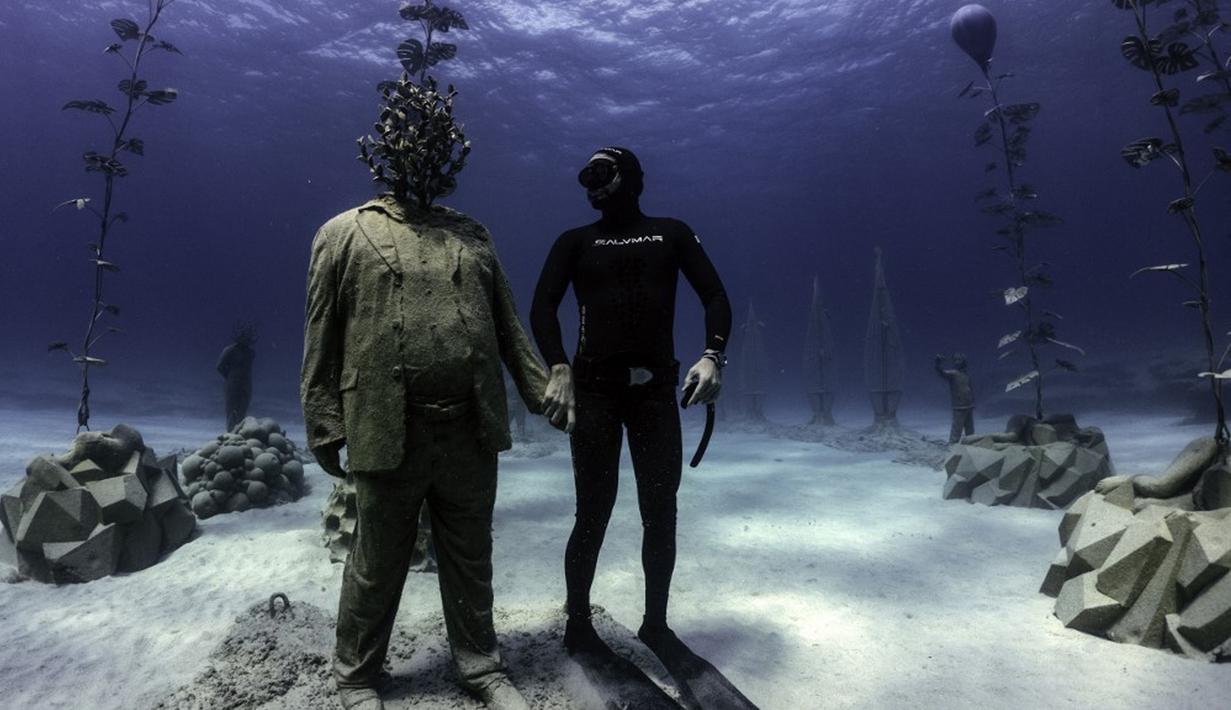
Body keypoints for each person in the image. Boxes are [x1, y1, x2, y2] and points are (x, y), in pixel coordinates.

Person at [301, 194, 550, 710]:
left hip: (469, 427)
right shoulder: (342, 233)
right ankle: (356, 674)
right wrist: (323, 421)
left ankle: (481, 664)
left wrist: (540, 390)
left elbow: (507, 323)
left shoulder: (472, 234)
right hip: (385, 424)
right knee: (377, 558)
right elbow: (321, 329)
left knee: (471, 554)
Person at [530, 146, 732, 657]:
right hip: (594, 392)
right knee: (592, 511)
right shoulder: (574, 241)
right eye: (586, 175)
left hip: (654, 395)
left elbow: (714, 295)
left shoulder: (671, 233)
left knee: (661, 511)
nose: (592, 183)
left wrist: (713, 355)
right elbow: (542, 307)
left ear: (633, 178)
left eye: (602, 172)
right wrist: (558, 366)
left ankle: (655, 625)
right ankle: (579, 623)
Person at [217, 323, 256, 431]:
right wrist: (230, 378)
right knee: (231, 409)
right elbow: (220, 366)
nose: (246, 338)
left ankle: (240, 433)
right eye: (243, 336)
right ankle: (230, 433)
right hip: (232, 383)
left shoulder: (251, 353)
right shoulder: (230, 350)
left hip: (246, 384)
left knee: (243, 409)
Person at [935, 353, 975, 444]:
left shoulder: (965, 374)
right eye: (955, 360)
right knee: (956, 431)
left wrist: (972, 401)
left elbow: (969, 389)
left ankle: (971, 445)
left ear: (964, 361)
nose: (957, 362)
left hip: (969, 406)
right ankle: (952, 446)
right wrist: (937, 364)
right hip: (959, 407)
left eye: (959, 360)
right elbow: (942, 373)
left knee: (970, 431)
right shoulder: (953, 374)